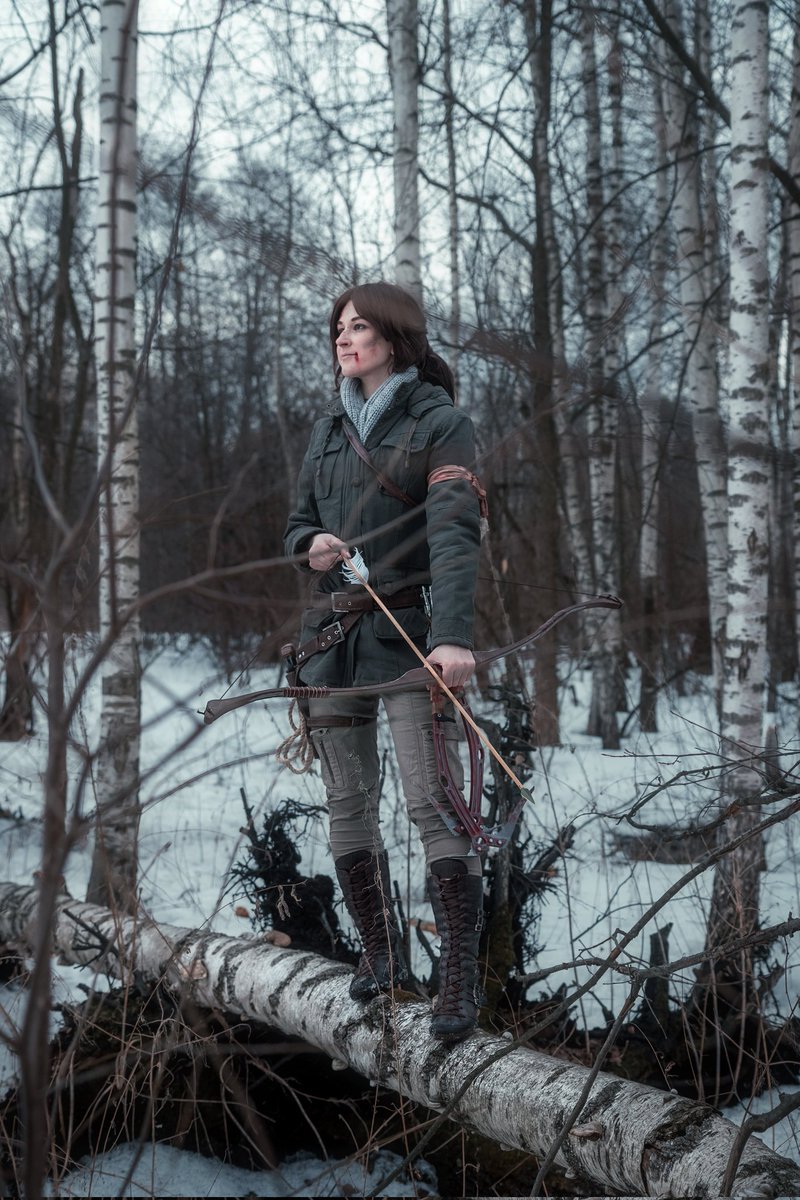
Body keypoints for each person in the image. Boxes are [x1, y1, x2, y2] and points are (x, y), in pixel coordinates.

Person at [283, 281, 484, 1042]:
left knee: (432, 804)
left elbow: (456, 533)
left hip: (410, 635)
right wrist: (310, 545)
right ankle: (380, 955)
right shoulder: (328, 428)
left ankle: (459, 981)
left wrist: (452, 637)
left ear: (396, 338)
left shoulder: (441, 422)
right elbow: (297, 523)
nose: (344, 337)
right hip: (331, 642)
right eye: (338, 327)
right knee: (347, 804)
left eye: (359, 326)